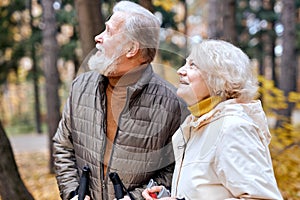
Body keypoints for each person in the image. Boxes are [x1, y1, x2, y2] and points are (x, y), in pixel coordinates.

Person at [52, 1, 189, 200]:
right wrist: (73, 194)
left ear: (131, 48)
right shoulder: (80, 87)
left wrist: (135, 198)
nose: (98, 38)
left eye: (108, 31)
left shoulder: (173, 104)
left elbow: (175, 168)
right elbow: (63, 146)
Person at [142, 39, 283, 200]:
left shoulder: (233, 128)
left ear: (219, 77)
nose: (180, 70)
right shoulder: (196, 127)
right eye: (185, 63)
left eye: (193, 65)